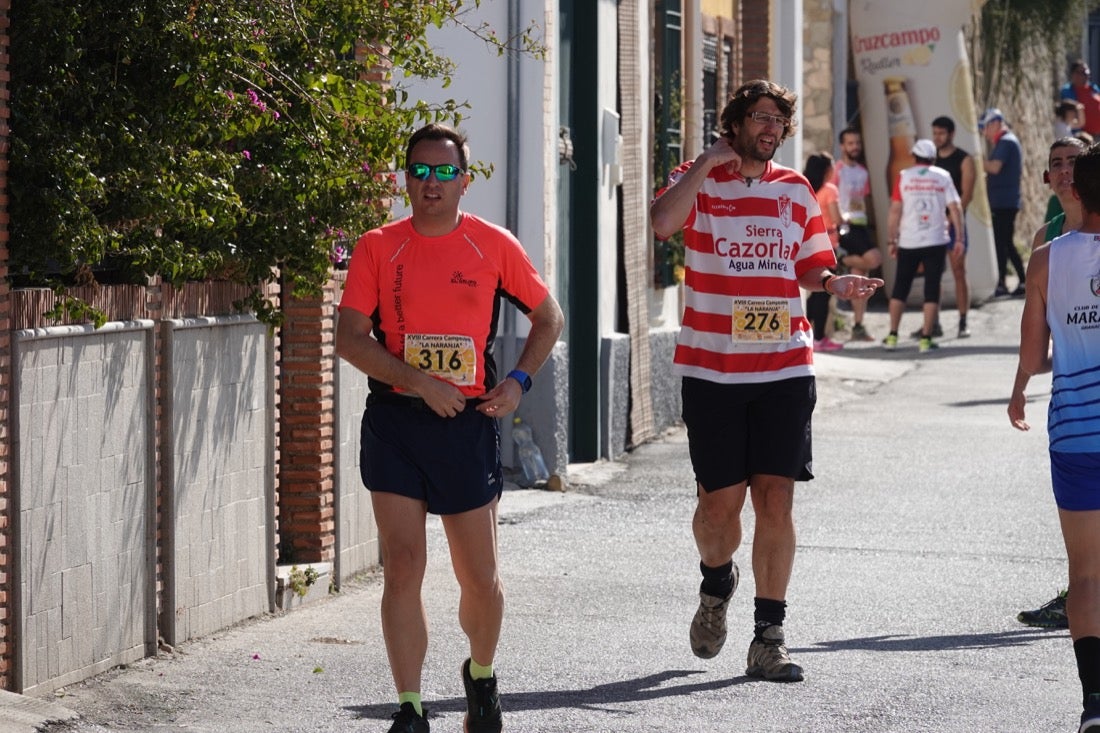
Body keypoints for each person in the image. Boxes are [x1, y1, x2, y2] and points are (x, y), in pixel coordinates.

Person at [649, 79, 883, 684]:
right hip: (712, 367)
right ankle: (715, 583)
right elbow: (661, 225)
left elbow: (810, 265)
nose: (771, 127)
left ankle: (768, 637)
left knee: (776, 497)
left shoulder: (796, 188)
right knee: (718, 509)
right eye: (759, 117)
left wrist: (836, 284)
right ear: (734, 124)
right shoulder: (697, 178)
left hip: (784, 364)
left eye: (779, 118)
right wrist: (704, 164)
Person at [335, 122, 565, 733]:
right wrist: (418, 381)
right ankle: (409, 708)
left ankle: (481, 678)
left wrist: (518, 381)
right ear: (404, 178)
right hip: (395, 422)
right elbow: (349, 339)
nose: (430, 183)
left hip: (465, 425)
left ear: (465, 180)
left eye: (443, 172)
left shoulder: (492, 245)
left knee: (478, 577)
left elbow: (548, 318)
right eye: (420, 171)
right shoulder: (378, 246)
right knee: (403, 565)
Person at [1012, 142, 1100, 733]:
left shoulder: (1046, 259)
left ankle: (1094, 703)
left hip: (1074, 431)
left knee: (1086, 572)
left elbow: (1033, 353)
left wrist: (1020, 388)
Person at [1010, 135, 1088, 632]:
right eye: (1055, 164)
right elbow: (1033, 330)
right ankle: (1077, 593)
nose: (1063, 172)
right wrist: (1019, 385)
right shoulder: (1046, 238)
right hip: (1074, 393)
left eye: (1074, 163)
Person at [882, 139, 964, 353]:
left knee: (901, 287)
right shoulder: (943, 177)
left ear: (914, 156)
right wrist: (960, 238)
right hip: (936, 240)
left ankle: (892, 336)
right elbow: (955, 208)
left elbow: (895, 210)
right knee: (931, 289)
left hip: (908, 241)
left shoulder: (904, 177)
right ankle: (926, 339)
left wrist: (892, 239)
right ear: (933, 158)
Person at [832, 127, 884, 341]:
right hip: (847, 225)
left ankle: (858, 325)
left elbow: (865, 201)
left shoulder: (863, 172)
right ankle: (841, 259)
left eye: (857, 143)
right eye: (850, 143)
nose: (854, 147)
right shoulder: (837, 170)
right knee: (874, 259)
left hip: (862, 224)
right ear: (842, 146)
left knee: (860, 280)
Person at [931, 115, 976, 338]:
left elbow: (966, 196)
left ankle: (962, 321)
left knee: (959, 270)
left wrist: (951, 218)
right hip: (932, 225)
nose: (937, 138)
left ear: (951, 134)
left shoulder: (964, 159)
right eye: (935, 133)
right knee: (933, 273)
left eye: (941, 133)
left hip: (954, 224)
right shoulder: (929, 159)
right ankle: (933, 322)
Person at [979, 107, 1026, 297]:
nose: (984, 131)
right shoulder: (1005, 142)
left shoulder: (1006, 142)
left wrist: (976, 160)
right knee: (1004, 242)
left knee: (1003, 243)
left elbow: (995, 168)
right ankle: (1014, 282)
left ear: (996, 123)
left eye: (985, 127)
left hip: (1004, 202)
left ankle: (1010, 283)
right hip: (1004, 201)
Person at [803, 151, 844, 352]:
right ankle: (819, 337)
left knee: (814, 293)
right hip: (828, 243)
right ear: (828, 170)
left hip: (810, 243)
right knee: (825, 291)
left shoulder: (806, 188)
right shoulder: (830, 190)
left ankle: (809, 332)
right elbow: (836, 217)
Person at [1059, 59, 1100, 137]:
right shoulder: (1067, 91)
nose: (1084, 75)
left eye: (1086, 72)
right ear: (1073, 74)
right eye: (1080, 72)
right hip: (1082, 136)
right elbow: (1067, 113)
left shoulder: (1093, 88)